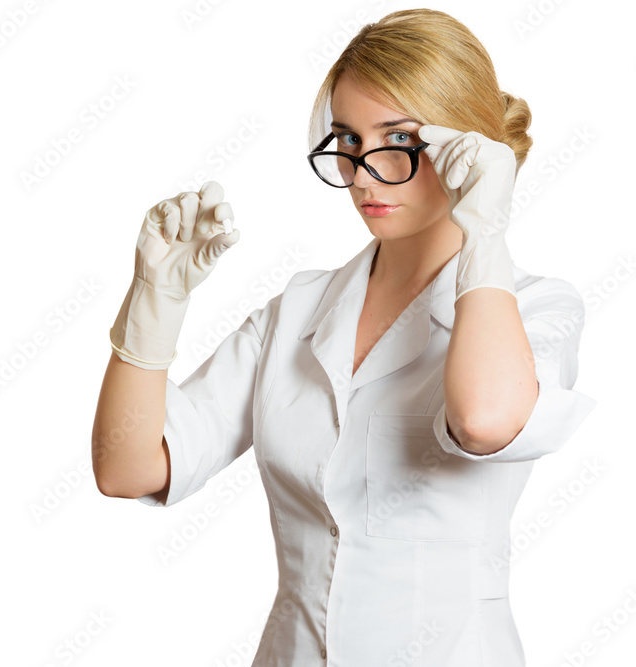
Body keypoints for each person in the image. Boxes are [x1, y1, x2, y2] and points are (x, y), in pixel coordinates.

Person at [91, 8, 596, 666]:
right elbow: (129, 467)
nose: (360, 176)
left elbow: (484, 419)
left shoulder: (535, 307)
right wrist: (153, 303)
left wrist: (487, 232)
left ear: (469, 145)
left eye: (396, 142)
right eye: (347, 143)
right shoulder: (297, 311)